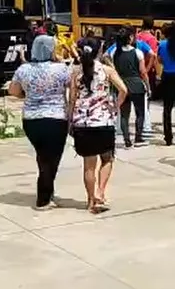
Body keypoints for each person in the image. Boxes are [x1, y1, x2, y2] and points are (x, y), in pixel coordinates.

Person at [8, 35, 71, 210]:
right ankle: (43, 198)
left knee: (42, 155)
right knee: (52, 158)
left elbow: (13, 90)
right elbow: (72, 88)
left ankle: (47, 192)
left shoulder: (23, 69)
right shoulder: (61, 69)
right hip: (56, 118)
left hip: (31, 119)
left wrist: (27, 95)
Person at [68, 37, 128, 213]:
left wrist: (70, 120)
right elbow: (124, 90)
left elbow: (72, 99)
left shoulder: (76, 73)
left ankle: (89, 200)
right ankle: (100, 193)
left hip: (83, 123)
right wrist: (115, 106)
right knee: (107, 158)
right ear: (99, 51)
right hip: (103, 121)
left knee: (88, 165)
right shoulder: (107, 70)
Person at [110, 27, 149, 148]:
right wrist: (148, 85)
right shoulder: (137, 52)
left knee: (124, 114)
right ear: (130, 38)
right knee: (140, 113)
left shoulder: (115, 52)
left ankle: (126, 139)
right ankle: (138, 137)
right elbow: (143, 72)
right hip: (136, 85)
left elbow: (106, 58)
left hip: (121, 85)